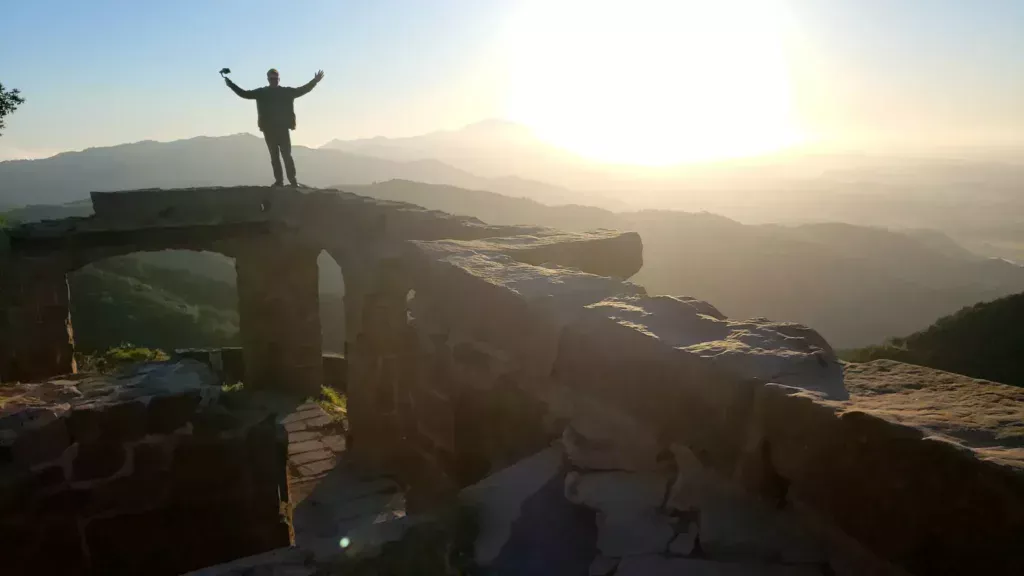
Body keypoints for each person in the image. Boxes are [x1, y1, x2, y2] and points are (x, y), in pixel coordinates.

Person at [225, 68, 325, 187]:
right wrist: (230, 84)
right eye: (272, 79)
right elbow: (244, 94)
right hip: (269, 130)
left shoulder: (284, 92)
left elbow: (303, 90)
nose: (274, 81)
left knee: (286, 156)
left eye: (275, 79)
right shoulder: (262, 93)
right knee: (275, 157)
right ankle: (280, 181)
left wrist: (315, 81)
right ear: (268, 79)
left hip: (282, 129)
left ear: (279, 79)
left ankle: (292, 181)